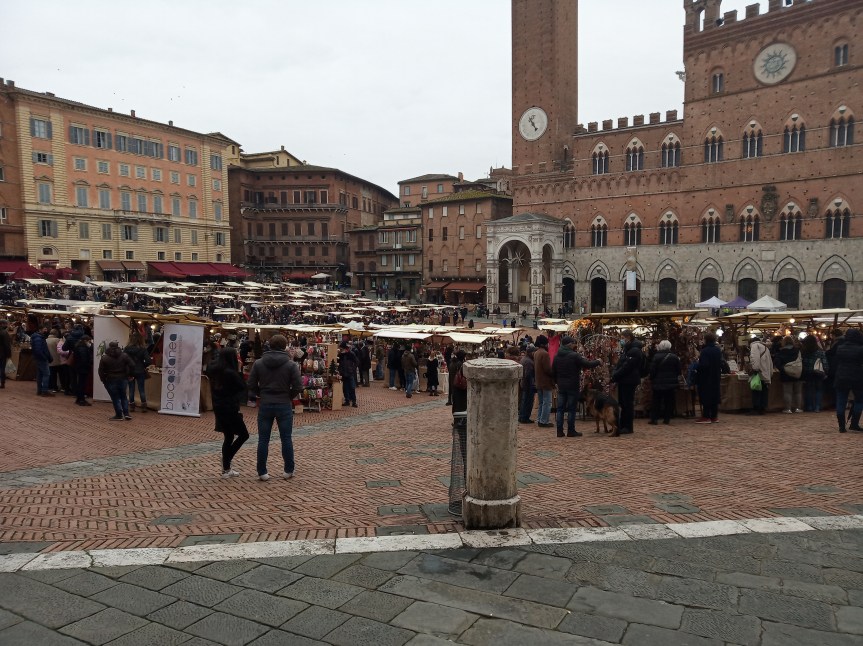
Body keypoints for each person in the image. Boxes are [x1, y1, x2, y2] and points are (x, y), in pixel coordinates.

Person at [247, 334, 302, 480]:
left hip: (265, 403)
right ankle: (288, 470)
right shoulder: (291, 365)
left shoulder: (258, 363)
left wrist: (261, 394)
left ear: (269, 345)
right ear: (284, 347)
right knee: (286, 438)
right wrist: (288, 396)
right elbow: (298, 386)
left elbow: (251, 384)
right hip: (283, 403)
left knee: (263, 439)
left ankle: (262, 471)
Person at [208, 348, 249, 478]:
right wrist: (239, 371)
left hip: (218, 406)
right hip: (230, 408)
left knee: (229, 436)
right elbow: (242, 387)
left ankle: (226, 469)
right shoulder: (230, 373)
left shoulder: (214, 370)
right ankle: (227, 459)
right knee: (243, 435)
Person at [552, 336, 601, 437]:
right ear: (569, 344)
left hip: (561, 385)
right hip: (572, 385)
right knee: (571, 408)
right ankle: (571, 431)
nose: (574, 345)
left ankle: (559, 431)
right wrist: (598, 361)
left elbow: (553, 372)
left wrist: (557, 382)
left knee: (560, 409)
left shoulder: (557, 356)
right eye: (573, 343)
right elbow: (587, 364)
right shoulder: (574, 356)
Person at [610, 330, 644, 434]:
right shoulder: (627, 349)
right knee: (623, 404)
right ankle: (621, 425)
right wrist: (615, 373)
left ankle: (628, 427)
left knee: (627, 404)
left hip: (629, 380)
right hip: (624, 379)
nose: (621, 340)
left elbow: (627, 367)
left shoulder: (634, 350)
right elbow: (620, 364)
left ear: (628, 337)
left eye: (622, 338)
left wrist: (615, 375)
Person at [833, 328, 863, 433]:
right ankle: (854, 423)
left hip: (841, 376)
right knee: (859, 400)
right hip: (857, 377)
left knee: (841, 400)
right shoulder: (860, 348)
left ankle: (841, 426)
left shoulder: (840, 348)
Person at [98, 340, 135, 421]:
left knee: (115, 397)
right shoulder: (124, 356)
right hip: (123, 378)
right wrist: (129, 374)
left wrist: (103, 380)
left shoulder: (105, 358)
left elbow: (100, 371)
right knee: (123, 396)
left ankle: (119, 415)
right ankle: (126, 413)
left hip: (111, 379)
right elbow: (132, 364)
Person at [648, 339, 682, 425]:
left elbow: (652, 370)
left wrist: (651, 378)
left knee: (656, 401)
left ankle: (654, 419)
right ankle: (667, 419)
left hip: (658, 382)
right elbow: (679, 370)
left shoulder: (656, 356)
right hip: (671, 383)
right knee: (669, 401)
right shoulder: (674, 357)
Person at [693, 332, 723, 423]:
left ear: (706, 340)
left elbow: (704, 365)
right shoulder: (718, 350)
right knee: (714, 396)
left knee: (706, 396)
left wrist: (697, 366)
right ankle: (714, 416)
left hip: (706, 377)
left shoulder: (705, 351)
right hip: (716, 376)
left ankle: (706, 416)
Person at [124, 333, 151, 413]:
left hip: (130, 371)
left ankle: (132, 406)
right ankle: (144, 406)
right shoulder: (143, 349)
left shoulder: (126, 349)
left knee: (131, 389)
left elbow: (123, 359)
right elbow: (148, 361)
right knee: (141, 389)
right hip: (140, 371)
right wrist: (143, 365)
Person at [776, 336, 803, 414]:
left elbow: (777, 363)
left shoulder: (781, 352)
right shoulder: (797, 351)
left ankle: (788, 408)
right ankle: (798, 408)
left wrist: (783, 368)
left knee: (787, 392)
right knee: (798, 392)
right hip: (798, 372)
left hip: (786, 373)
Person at [801, 335, 828, 413]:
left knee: (809, 390)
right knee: (818, 390)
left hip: (807, 372)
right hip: (818, 372)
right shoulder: (820, 352)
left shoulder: (804, 352)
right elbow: (824, 363)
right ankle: (817, 406)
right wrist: (826, 371)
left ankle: (809, 406)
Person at [748, 335, 774, 416]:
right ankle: (762, 408)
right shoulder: (765, 348)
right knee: (764, 391)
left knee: (756, 389)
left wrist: (755, 369)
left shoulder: (754, 346)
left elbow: (754, 358)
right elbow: (770, 362)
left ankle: (756, 408)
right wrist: (770, 374)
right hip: (765, 372)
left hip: (759, 372)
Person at [533, 335, 554, 428]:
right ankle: (544, 421)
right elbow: (548, 369)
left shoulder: (536, 353)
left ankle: (539, 419)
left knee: (541, 402)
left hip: (538, 381)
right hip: (545, 382)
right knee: (547, 402)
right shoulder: (544, 354)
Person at [29, 320, 53, 397]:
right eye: (45, 329)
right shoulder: (38, 338)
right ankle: (44, 391)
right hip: (41, 358)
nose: (46, 330)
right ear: (40, 329)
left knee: (40, 374)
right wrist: (44, 357)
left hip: (38, 358)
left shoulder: (37, 337)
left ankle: (40, 390)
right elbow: (38, 350)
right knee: (46, 374)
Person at [72, 335, 93, 406]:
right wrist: (88, 365)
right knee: (82, 384)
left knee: (80, 383)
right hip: (83, 368)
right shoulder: (83, 348)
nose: (89, 342)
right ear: (85, 340)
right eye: (89, 341)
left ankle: (79, 398)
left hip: (79, 367)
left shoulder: (79, 346)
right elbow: (84, 359)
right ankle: (81, 399)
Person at [518, 344, 537, 424]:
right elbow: (528, 375)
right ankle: (525, 417)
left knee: (524, 401)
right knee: (527, 402)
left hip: (524, 383)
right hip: (528, 384)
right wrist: (531, 384)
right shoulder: (529, 361)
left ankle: (522, 417)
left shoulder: (524, 359)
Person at [338, 341, 359, 407]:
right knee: (345, 388)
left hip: (350, 373)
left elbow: (356, 362)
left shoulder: (351, 354)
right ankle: (347, 400)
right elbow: (338, 363)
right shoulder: (340, 355)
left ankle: (354, 401)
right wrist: (340, 370)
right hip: (343, 373)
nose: (341, 350)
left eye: (342, 349)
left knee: (352, 388)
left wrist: (352, 369)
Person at [0, 320, 11, 389]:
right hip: (2, 353)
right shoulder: (4, 333)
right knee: (2, 368)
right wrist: (9, 354)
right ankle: (2, 383)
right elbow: (7, 345)